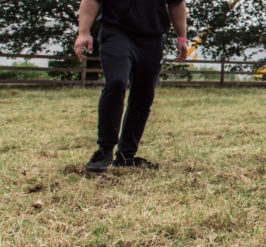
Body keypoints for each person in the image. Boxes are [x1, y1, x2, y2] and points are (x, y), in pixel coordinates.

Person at [75, 0, 189, 173]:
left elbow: (176, 4)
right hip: (116, 32)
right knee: (117, 82)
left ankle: (126, 156)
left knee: (144, 95)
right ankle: (104, 150)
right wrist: (83, 32)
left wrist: (181, 37)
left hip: (152, 37)